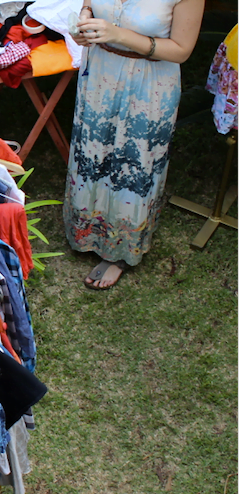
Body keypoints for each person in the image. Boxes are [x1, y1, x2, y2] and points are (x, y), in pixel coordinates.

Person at [66, 0, 204, 290]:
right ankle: (87, 231)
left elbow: (182, 50)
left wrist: (118, 34)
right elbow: (89, 4)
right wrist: (83, 21)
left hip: (149, 82)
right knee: (93, 154)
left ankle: (120, 250)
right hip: (100, 71)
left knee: (133, 166)